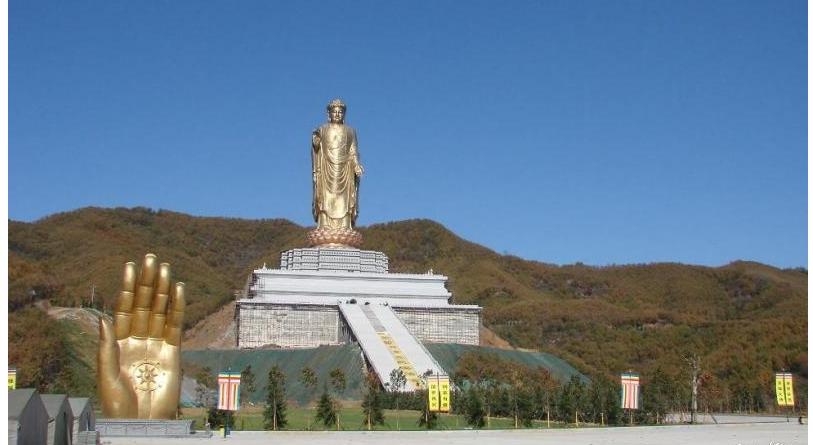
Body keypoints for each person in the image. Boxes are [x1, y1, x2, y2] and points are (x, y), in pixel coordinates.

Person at [311, 99, 364, 231]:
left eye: (340, 112)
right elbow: (316, 149)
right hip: (326, 168)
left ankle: (345, 225)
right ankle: (324, 224)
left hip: (345, 169)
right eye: (334, 111)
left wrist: (356, 164)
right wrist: (316, 143)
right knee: (324, 197)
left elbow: (353, 151)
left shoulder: (350, 131)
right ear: (329, 114)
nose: (337, 114)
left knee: (345, 199)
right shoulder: (322, 129)